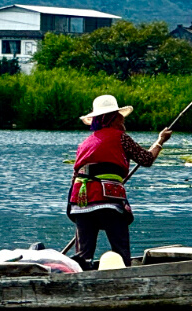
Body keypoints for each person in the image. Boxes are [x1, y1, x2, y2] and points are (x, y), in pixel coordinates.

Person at [68, 94, 172, 269]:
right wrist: (160, 140)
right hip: (107, 198)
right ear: (112, 118)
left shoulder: (85, 143)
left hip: (80, 199)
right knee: (121, 250)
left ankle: (81, 273)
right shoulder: (120, 137)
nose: (123, 120)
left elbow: (76, 174)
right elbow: (146, 159)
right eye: (119, 116)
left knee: (84, 255)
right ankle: (124, 270)